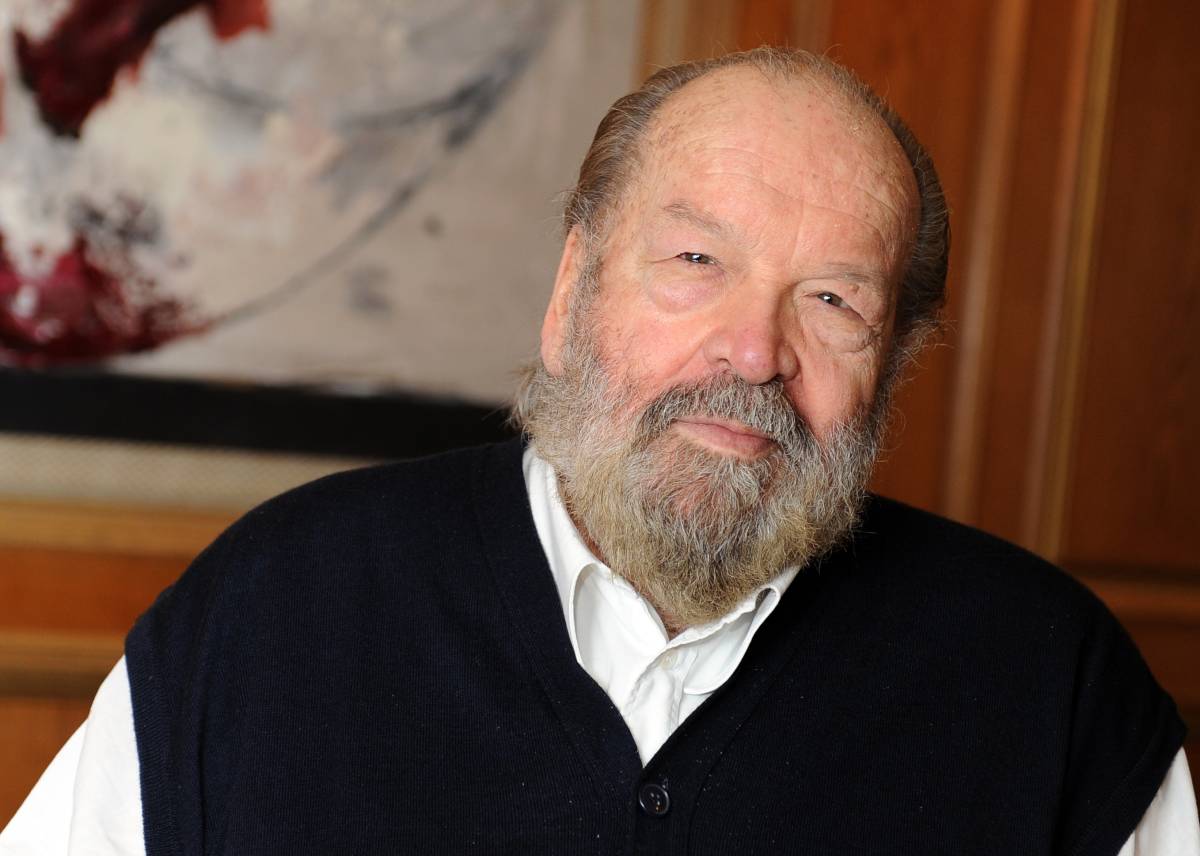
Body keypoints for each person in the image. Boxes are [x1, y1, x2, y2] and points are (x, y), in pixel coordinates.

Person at [2, 47, 1197, 855]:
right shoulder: (270, 609)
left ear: (895, 365)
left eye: (834, 301)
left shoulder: (1054, 688)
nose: (753, 350)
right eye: (694, 262)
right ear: (572, 284)